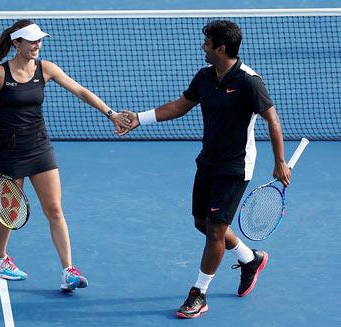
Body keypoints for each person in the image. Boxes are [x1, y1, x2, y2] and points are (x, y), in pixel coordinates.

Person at [120, 20, 290, 318]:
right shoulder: (205, 77)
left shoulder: (249, 81)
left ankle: (199, 293)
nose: (203, 46)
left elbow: (272, 121)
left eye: (207, 43)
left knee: (214, 231)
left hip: (235, 166)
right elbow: (179, 106)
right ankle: (250, 258)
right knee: (202, 223)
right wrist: (139, 118)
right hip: (208, 161)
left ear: (220, 48)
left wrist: (279, 162)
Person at [0, 19, 130, 290]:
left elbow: (80, 90)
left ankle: (68, 270)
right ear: (16, 44)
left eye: (39, 40)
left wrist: (111, 113)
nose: (37, 45)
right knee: (9, 213)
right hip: (10, 152)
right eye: (31, 41)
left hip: (40, 148)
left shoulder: (45, 69)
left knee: (55, 210)